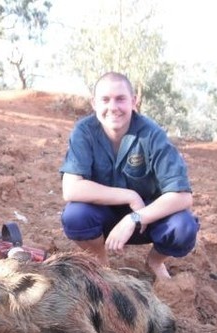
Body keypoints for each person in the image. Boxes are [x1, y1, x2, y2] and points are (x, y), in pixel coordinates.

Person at [59, 71, 199, 280]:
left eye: (120, 99)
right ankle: (101, 264)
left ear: (133, 101)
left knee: (183, 227)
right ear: (94, 103)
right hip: (103, 216)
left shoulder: (152, 135)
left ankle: (155, 262)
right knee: (75, 216)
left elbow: (183, 196)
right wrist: (129, 196)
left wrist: (134, 217)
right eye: (105, 99)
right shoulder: (84, 131)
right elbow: (71, 188)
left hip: (147, 219)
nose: (113, 107)